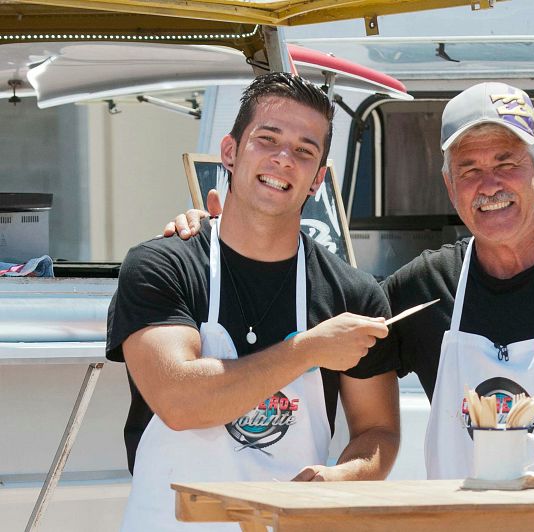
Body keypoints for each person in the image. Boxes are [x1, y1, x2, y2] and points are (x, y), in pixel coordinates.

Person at [167, 82, 534, 532]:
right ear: (449, 185)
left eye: (507, 162)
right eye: (469, 169)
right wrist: (214, 235)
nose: (490, 184)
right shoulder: (425, 286)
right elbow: (334, 340)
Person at [108, 73, 400, 531]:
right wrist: (309, 349)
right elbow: (180, 402)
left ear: (318, 179)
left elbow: (377, 432)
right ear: (230, 151)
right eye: (268, 139)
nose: (284, 159)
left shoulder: (353, 294)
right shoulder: (163, 266)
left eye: (305, 151)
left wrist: (345, 476)